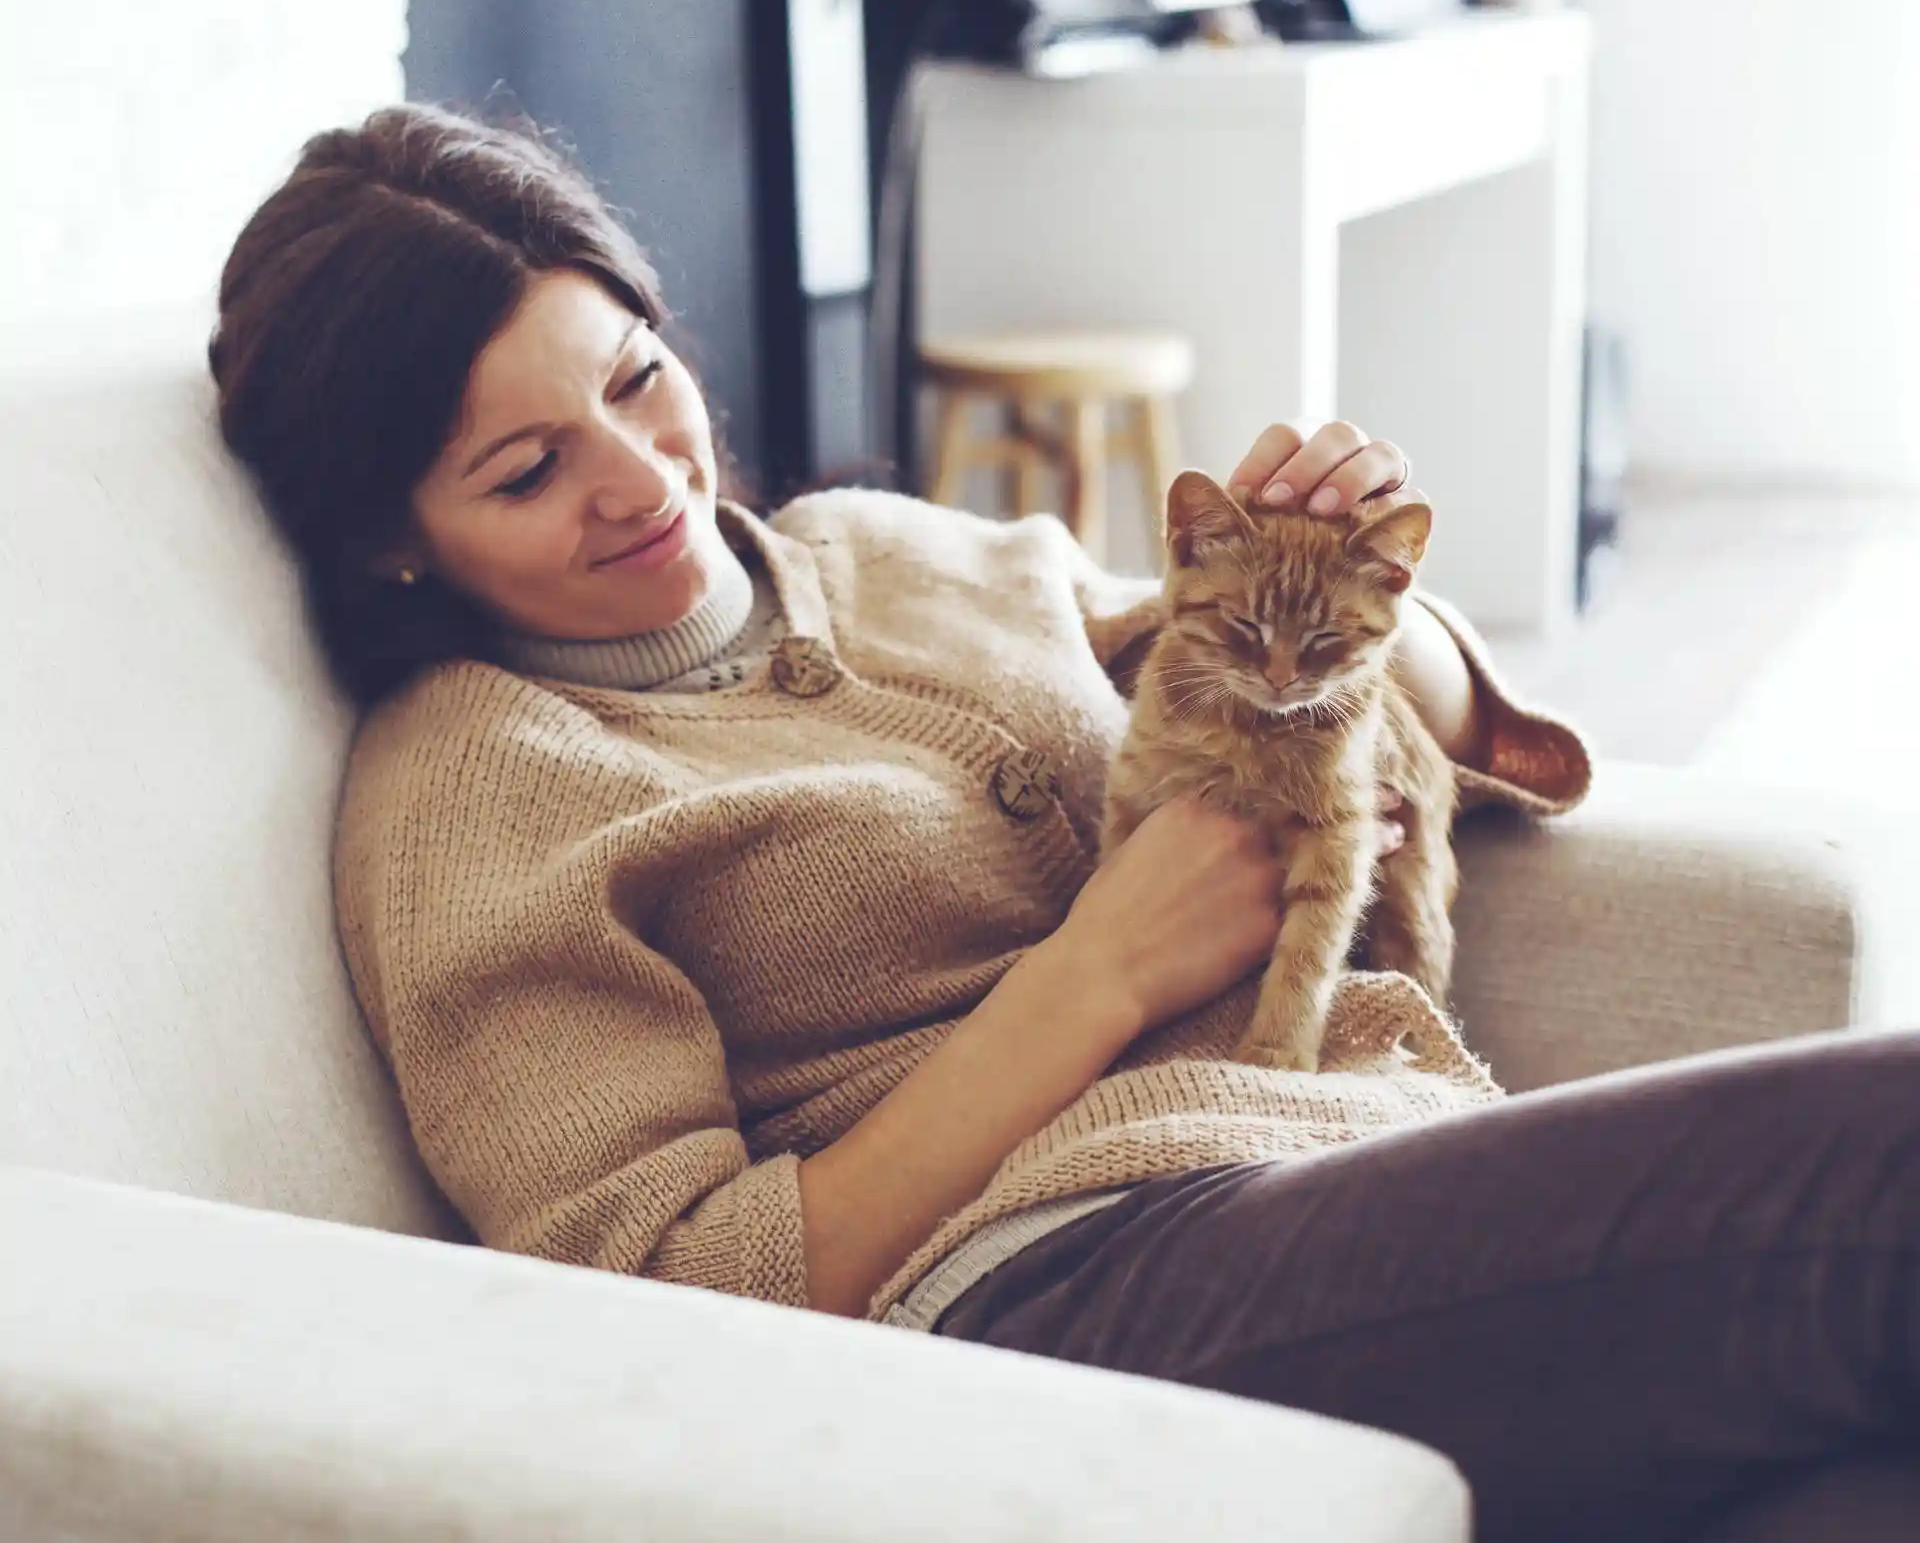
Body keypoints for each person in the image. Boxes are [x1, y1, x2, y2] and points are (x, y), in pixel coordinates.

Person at [210, 105, 1916, 1543]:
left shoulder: (888, 551)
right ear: (392, 541)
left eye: (639, 377)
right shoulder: (476, 792)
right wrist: (1095, 974)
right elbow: (661, 1303)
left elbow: (1463, 746)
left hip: (1331, 1151)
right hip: (1043, 1298)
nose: (644, 476)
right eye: (524, 470)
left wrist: (1360, 585)